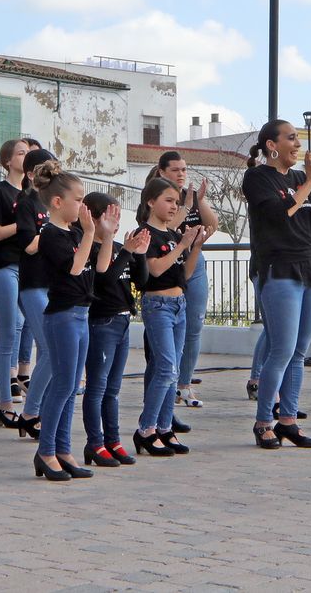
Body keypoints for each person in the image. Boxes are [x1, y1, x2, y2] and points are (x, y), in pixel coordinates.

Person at [245, 120, 311, 450]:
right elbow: (280, 212)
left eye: (298, 137)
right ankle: (263, 422)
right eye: (292, 137)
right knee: (281, 349)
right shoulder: (257, 177)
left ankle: (288, 422)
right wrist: (310, 181)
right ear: (273, 145)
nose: (298, 143)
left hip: (310, 266)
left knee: (299, 352)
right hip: (278, 267)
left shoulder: (300, 178)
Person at [31, 162, 98, 481]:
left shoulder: (73, 232)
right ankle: (46, 451)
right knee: (62, 383)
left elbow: (93, 265)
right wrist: (89, 234)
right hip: (62, 315)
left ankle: (63, 449)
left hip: (81, 313)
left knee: (72, 385)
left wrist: (102, 235)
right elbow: (74, 267)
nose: (82, 206)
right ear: (58, 202)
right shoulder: (50, 234)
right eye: (78, 199)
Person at [133, 176, 206, 457]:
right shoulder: (146, 234)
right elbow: (156, 270)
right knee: (165, 369)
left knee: (172, 371)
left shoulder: (174, 235)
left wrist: (194, 245)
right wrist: (180, 245)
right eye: (168, 200)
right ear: (151, 202)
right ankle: (146, 429)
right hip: (158, 305)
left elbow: (183, 274)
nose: (174, 206)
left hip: (179, 304)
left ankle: (164, 427)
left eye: (177, 202)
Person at [144, 151, 219, 410]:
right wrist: (186, 205)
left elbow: (213, 224)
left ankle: (184, 383)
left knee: (194, 324)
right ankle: (161, 393)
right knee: (163, 338)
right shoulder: (157, 198)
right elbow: (168, 229)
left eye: (184, 169)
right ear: (162, 171)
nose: (181, 174)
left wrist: (200, 199)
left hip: (192, 260)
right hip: (166, 270)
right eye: (175, 169)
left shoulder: (188, 197)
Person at [82, 192, 150, 468]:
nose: (116, 221)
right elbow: (105, 280)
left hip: (123, 321)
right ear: (94, 218)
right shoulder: (91, 248)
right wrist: (124, 252)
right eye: (110, 216)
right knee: (97, 387)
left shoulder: (120, 247)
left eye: (119, 215)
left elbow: (142, 280)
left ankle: (113, 440)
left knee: (113, 388)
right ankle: (95, 443)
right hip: (102, 322)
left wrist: (140, 255)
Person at [0, 138, 31, 428]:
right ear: (8, 161)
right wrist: (24, 223)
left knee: (33, 326)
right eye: (21, 153)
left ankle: (29, 396)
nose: (26, 157)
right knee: (8, 332)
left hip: (29, 268)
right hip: (3, 265)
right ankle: (5, 403)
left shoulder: (33, 194)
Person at [15, 148, 60, 439]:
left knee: (48, 350)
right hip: (32, 283)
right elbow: (28, 244)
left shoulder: (53, 203)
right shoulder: (27, 201)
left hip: (53, 283)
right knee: (51, 350)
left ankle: (40, 409)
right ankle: (30, 412)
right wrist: (51, 234)